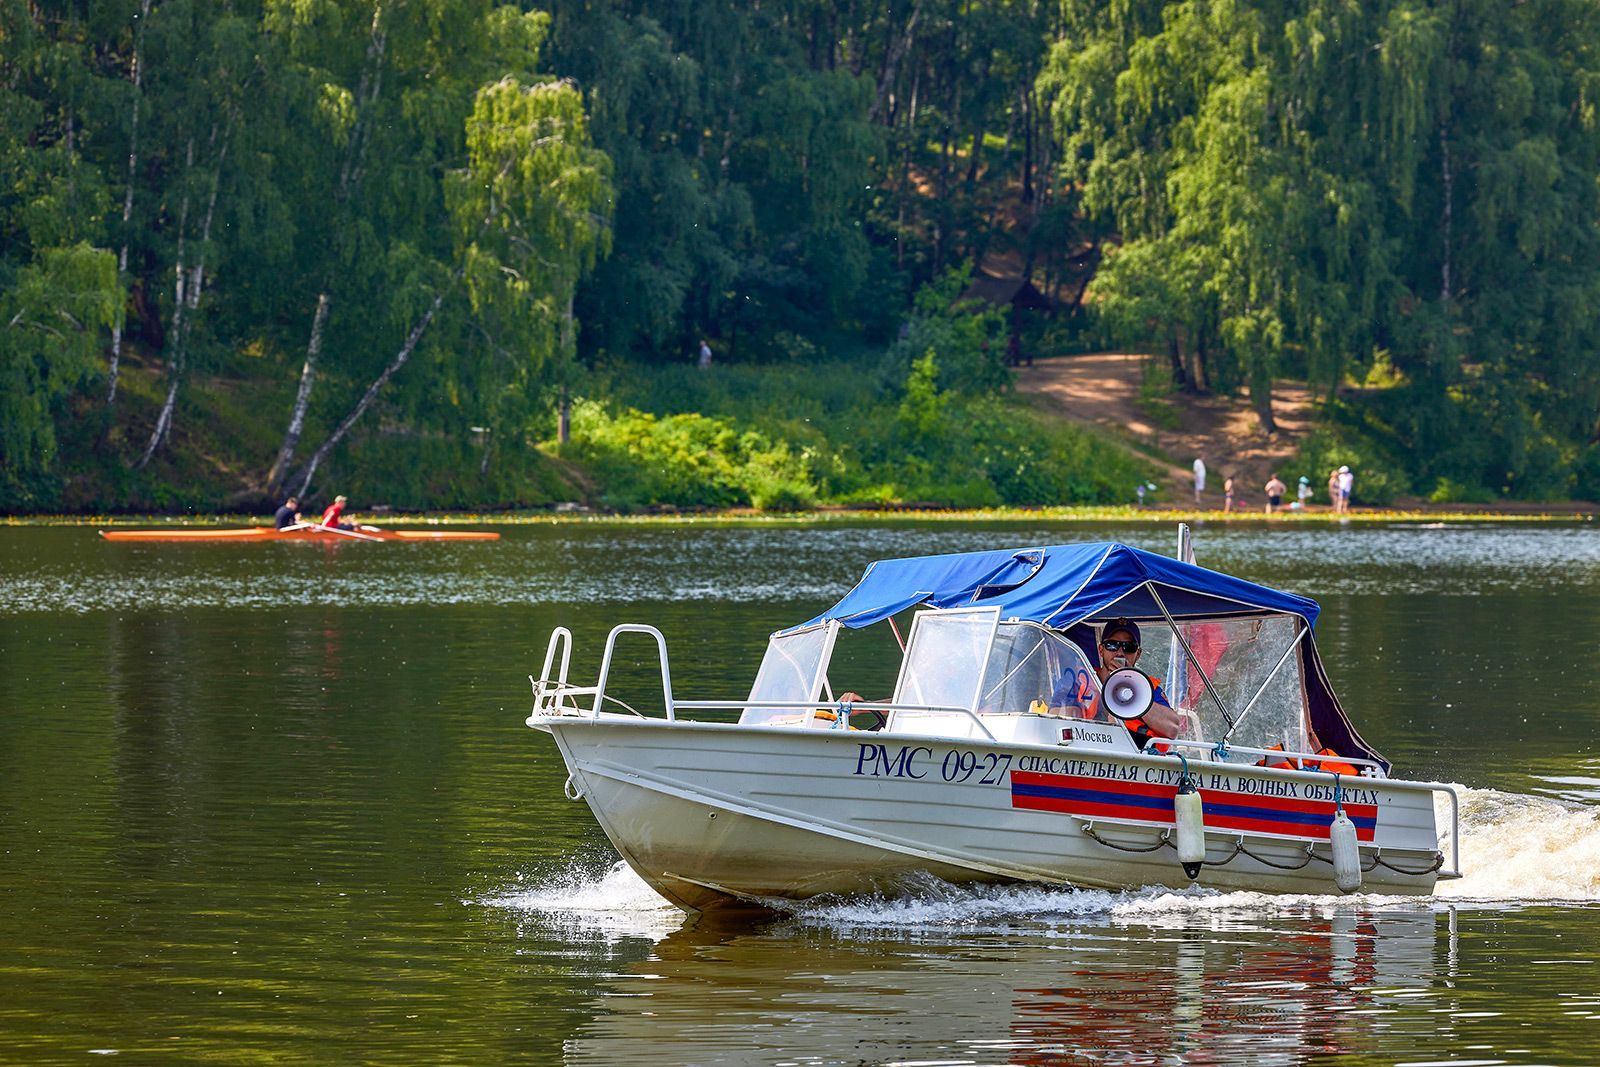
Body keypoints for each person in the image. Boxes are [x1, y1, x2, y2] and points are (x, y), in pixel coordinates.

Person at [1084, 619, 1180, 750]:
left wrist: (1134, 692)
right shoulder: (1080, 680)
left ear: (1138, 654)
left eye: (1129, 647)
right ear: (1101, 650)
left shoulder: (1148, 687)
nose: (1120, 653)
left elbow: (1172, 729)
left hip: (1136, 757)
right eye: (1112, 645)